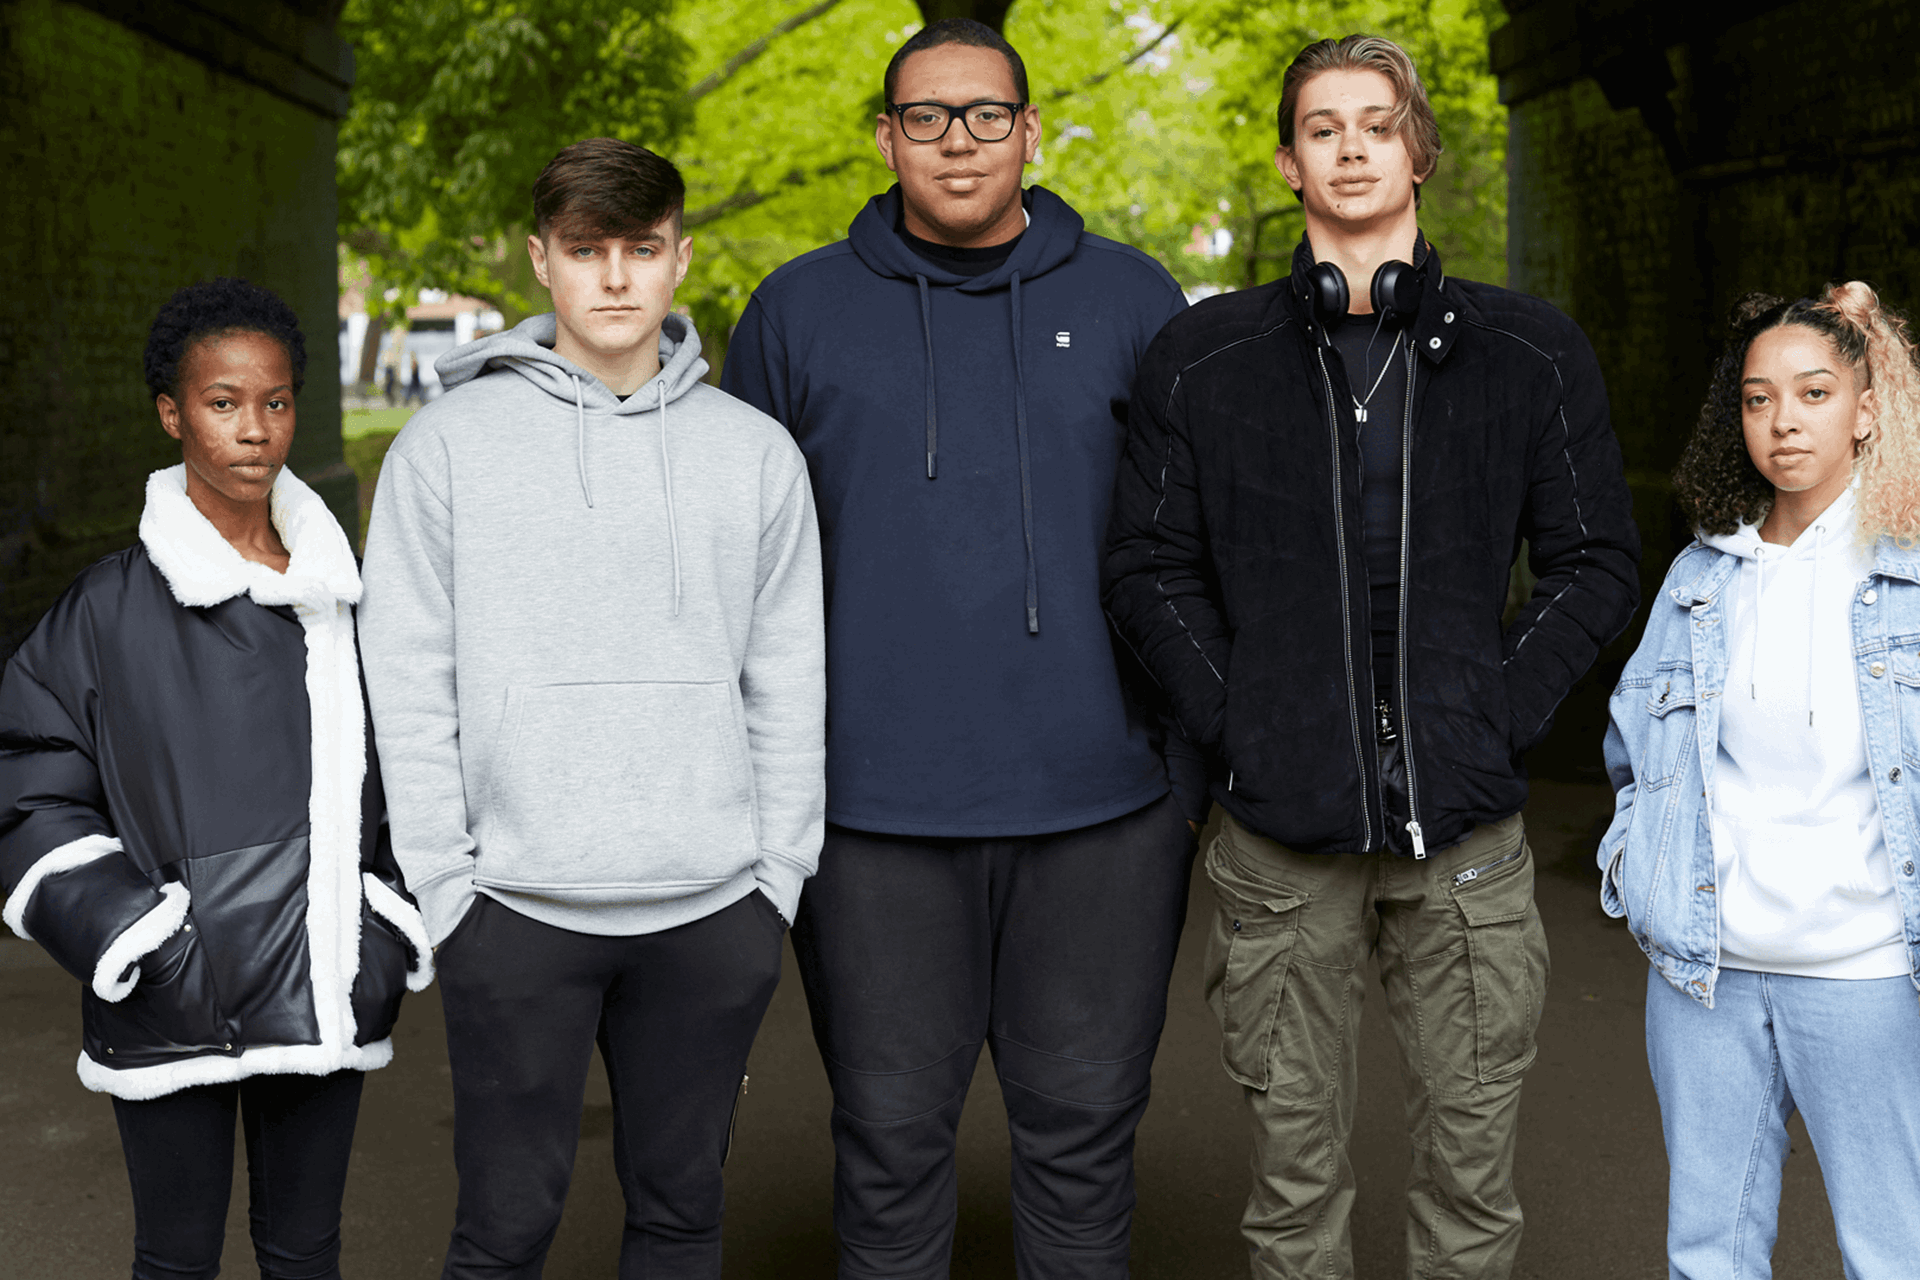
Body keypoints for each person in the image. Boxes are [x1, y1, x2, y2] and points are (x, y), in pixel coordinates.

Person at [1103, 33, 1641, 1280]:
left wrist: (1494, 711)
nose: (1351, 146)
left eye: (1377, 122)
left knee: (1471, 1186)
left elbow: (1595, 560)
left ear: (1419, 151)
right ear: (1290, 161)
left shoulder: (1530, 350)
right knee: (1293, 1194)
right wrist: (1246, 719)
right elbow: (1146, 566)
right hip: (1279, 847)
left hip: (1465, 843)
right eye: (1324, 126)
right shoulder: (1207, 357)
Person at [721, 18, 1205, 1279]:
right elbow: (735, 570)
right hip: (870, 818)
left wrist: (1187, 771)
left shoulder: (1136, 300)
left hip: (1105, 812)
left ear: (1031, 131)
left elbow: (1204, 546)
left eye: (986, 113)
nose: (957, 139)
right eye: (926, 115)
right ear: (886, 137)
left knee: (1085, 1145)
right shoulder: (796, 313)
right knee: (886, 1144)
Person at [357, 137, 824, 1279]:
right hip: (514, 907)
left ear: (680, 260)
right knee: (505, 1226)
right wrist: (445, 883)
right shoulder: (445, 450)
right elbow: (407, 677)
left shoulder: (755, 456)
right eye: (586, 250)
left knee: (679, 1217)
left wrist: (777, 875)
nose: (615, 277)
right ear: (540, 262)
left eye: (641, 249)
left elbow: (788, 673)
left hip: (712, 908)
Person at [0, 277, 433, 1280]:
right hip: (171, 994)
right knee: (177, 1261)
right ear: (172, 411)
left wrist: (387, 921)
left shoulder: (351, 600)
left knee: (305, 1253)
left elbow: (422, 763)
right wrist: (132, 932)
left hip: (327, 981)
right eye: (223, 402)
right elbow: (23, 768)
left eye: (275, 402)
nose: (255, 429)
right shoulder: (108, 607)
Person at [1600, 282, 1920, 1279]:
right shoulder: (1702, 576)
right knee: (1709, 1254)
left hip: (1865, 975)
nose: (1783, 420)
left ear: (1866, 409)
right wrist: (1639, 869)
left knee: (1891, 1251)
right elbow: (1631, 750)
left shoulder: (1907, 576)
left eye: (1816, 392)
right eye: (1757, 397)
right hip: (1708, 979)